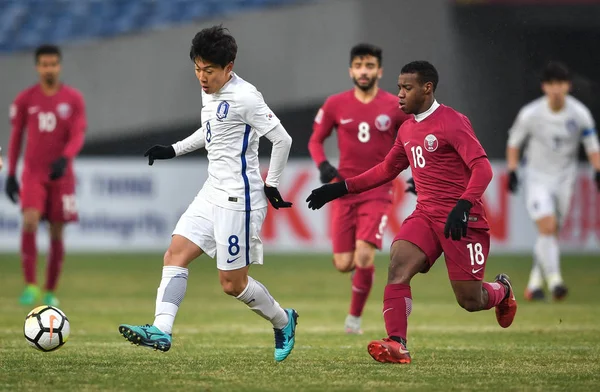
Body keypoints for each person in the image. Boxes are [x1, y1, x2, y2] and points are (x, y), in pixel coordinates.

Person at [306, 61, 517, 364]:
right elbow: (386, 169)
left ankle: (502, 290)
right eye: (398, 88)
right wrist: (340, 188)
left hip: (463, 221)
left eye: (407, 88)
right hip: (426, 216)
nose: (400, 95)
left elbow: (482, 168)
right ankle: (397, 343)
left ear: (427, 88)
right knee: (397, 267)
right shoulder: (406, 128)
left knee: (471, 301)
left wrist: (464, 203)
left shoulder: (452, 121)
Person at [118, 26, 298, 362]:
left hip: (239, 201)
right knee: (174, 254)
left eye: (209, 71)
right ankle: (161, 330)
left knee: (233, 285)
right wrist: (174, 149)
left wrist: (272, 182)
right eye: (198, 69)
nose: (202, 77)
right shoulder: (210, 90)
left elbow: (283, 139)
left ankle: (284, 320)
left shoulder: (247, 98)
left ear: (228, 67)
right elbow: (213, 128)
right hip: (211, 191)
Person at [308, 43, 409, 334]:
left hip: (377, 189)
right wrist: (323, 165)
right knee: (343, 263)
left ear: (379, 70)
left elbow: (414, 137)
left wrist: (417, 169)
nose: (364, 71)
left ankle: (353, 320)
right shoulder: (335, 104)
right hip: (342, 190)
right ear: (350, 70)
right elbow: (315, 140)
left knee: (364, 254)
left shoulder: (394, 106)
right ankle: (361, 278)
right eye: (359, 65)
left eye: (369, 66)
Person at [506, 61, 600, 301]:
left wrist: (597, 169)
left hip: (565, 179)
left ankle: (534, 284)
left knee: (550, 233)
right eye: (551, 84)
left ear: (568, 86)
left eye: (561, 84)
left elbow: (592, 145)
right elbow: (514, 143)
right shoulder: (531, 114)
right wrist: (513, 170)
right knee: (547, 227)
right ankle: (556, 281)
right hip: (537, 178)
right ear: (544, 87)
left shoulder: (579, 114)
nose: (556, 89)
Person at [6, 44, 86, 307]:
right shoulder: (25, 99)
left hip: (61, 175)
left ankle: (50, 289)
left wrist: (66, 157)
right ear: (37, 67)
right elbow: (17, 137)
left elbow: (77, 134)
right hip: (33, 173)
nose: (49, 69)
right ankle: (30, 284)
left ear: (59, 66)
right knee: (29, 221)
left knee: (56, 232)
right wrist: (10, 173)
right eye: (44, 64)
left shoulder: (73, 99)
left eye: (53, 64)